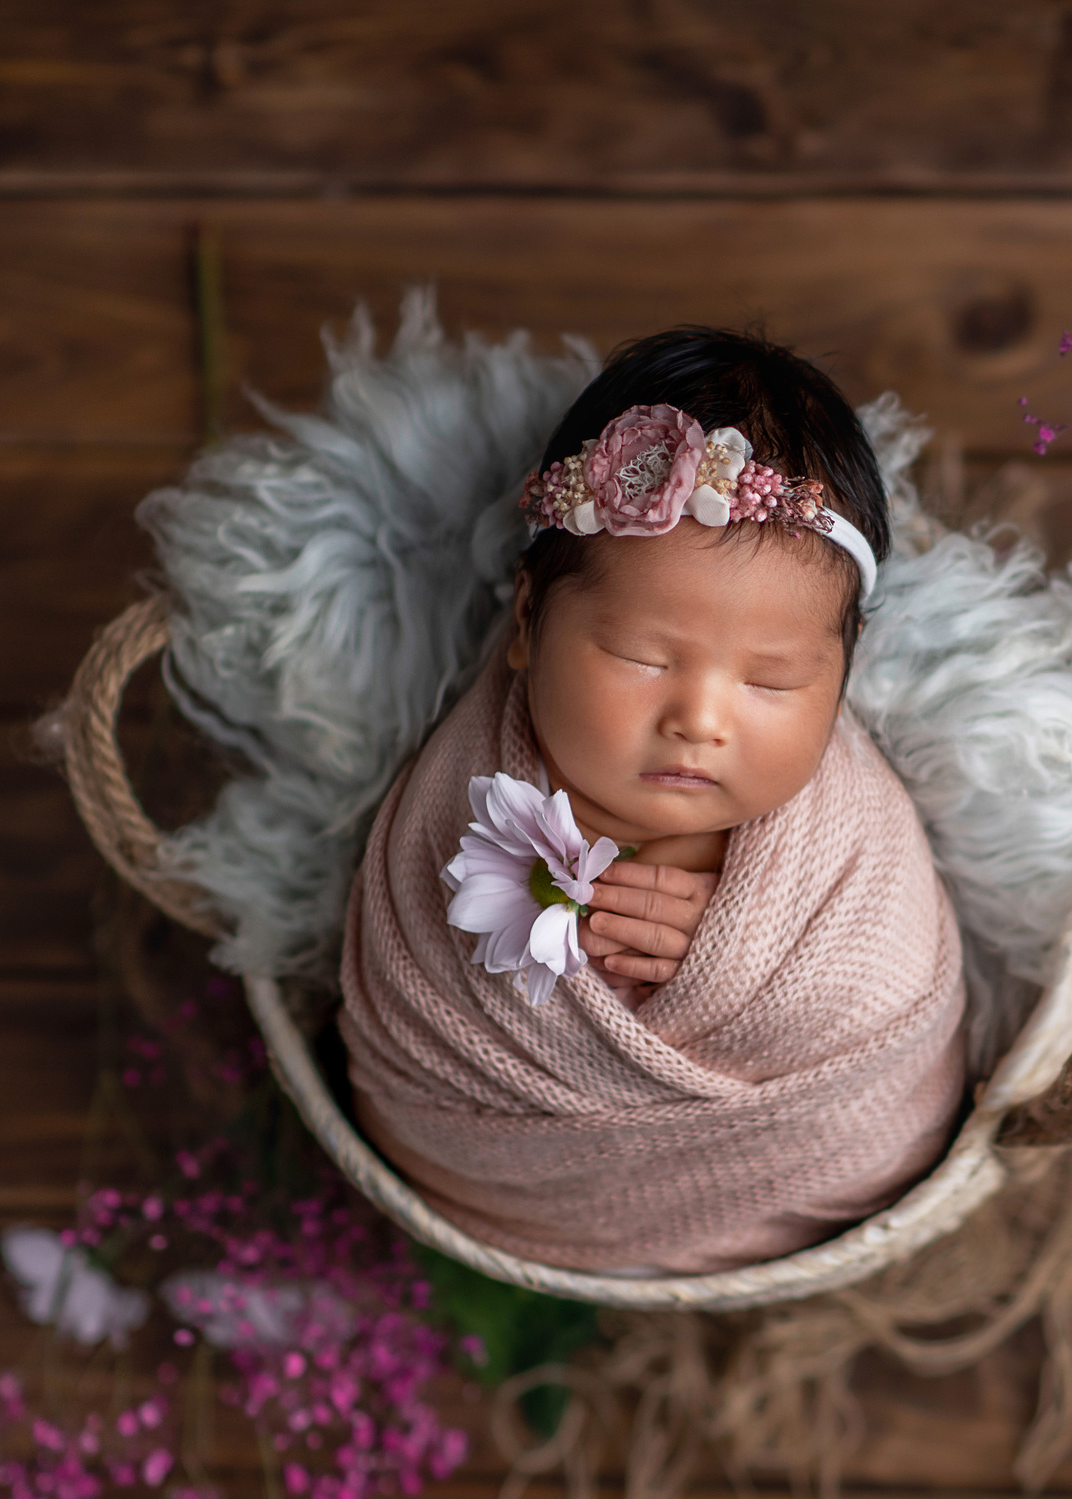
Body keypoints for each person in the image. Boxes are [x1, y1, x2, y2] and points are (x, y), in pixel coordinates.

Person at [336, 327, 969, 1276]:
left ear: (841, 682)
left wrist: (743, 951)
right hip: (504, 1191)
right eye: (641, 657)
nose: (700, 717)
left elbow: (891, 984)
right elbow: (414, 975)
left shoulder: (846, 840)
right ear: (524, 625)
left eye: (773, 681)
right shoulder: (464, 794)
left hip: (806, 1173)